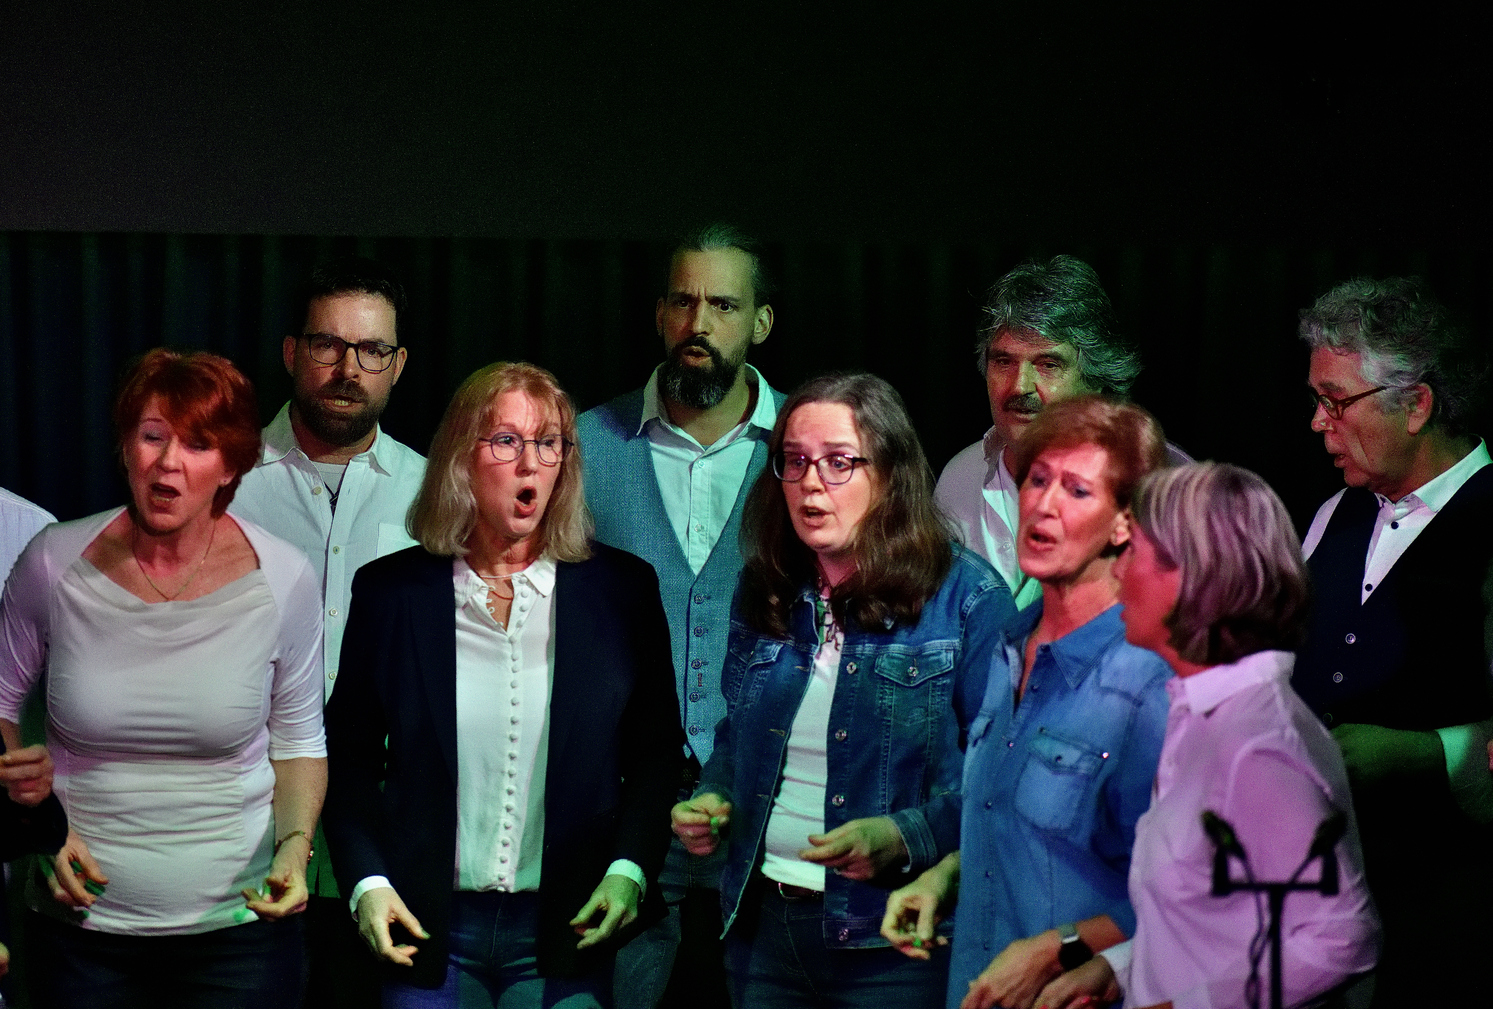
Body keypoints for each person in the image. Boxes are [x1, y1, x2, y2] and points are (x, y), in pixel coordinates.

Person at [322, 362, 684, 1007]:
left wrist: (629, 870)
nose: (529, 464)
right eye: (507, 441)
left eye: (548, 443)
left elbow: (656, 754)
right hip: (425, 927)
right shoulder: (392, 593)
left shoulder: (621, 591)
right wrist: (367, 884)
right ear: (462, 456)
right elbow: (347, 758)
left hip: (568, 928)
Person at [673, 372, 1012, 1008]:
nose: (810, 483)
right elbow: (736, 736)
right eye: (795, 461)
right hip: (763, 925)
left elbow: (999, 786)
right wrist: (714, 797)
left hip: (893, 939)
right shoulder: (767, 586)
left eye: (838, 462)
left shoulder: (966, 600)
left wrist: (901, 836)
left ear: (889, 475)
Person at [0, 348, 326, 1008]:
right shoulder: (52, 562)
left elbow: (298, 742)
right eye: (152, 436)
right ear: (126, 448)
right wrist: (42, 828)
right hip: (82, 936)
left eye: (198, 443)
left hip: (240, 935)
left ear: (230, 464)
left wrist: (295, 850)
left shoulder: (284, 577)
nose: (168, 461)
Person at [1034, 463, 1380, 1008]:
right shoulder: (1202, 713)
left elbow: (1341, 941)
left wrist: (1183, 1005)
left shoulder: (1258, 740)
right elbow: (1217, 921)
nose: (1116, 571)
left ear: (1193, 575)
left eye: (1131, 551)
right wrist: (1117, 970)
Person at [882, 395, 1172, 1009]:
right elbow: (1013, 822)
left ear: (1124, 523)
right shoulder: (1008, 645)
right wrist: (947, 877)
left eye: (1077, 490)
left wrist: (1059, 949)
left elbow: (1197, 894)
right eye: (1037, 481)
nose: (1043, 504)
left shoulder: (1149, 680)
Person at [577, 224, 782, 1008]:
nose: (699, 323)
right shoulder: (587, 442)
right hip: (622, 795)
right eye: (683, 301)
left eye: (723, 305)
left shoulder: (809, 448)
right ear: (660, 313)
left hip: (764, 795)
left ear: (760, 321)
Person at [231, 256, 426, 1007]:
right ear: (291, 352)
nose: (348, 369)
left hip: (385, 840)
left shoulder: (434, 494)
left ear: (397, 365)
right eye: (327, 345)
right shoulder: (226, 485)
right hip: (244, 832)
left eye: (372, 350)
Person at [1293, 276, 1493, 1003]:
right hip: (1322, 910)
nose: (1317, 423)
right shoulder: (1333, 515)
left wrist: (1423, 753)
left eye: (1334, 400)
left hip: (1452, 917)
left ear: (1416, 405)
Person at [935, 256, 1186, 609]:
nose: (1020, 386)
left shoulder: (1164, 482)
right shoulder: (959, 477)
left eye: (1048, 364)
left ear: (1096, 379)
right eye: (1004, 362)